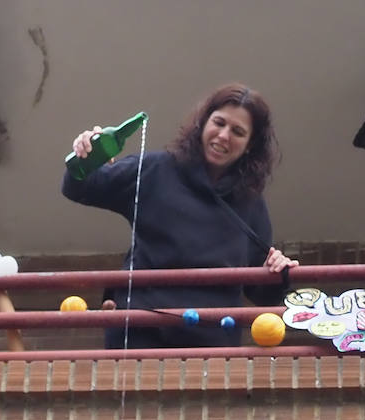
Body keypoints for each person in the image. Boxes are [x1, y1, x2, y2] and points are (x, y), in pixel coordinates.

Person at [62, 84, 298, 348]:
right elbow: (80, 187)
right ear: (202, 123)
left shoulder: (250, 202)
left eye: (238, 131)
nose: (223, 136)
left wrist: (277, 271)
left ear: (249, 145)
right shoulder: (156, 169)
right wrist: (87, 157)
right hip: (140, 333)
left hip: (211, 346)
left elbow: (263, 294)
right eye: (218, 123)